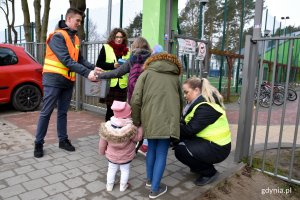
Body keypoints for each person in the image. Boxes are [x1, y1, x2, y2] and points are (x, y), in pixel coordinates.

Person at [34, 8, 101, 158]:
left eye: (80, 21)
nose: (79, 24)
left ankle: (63, 140)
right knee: (47, 111)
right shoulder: (57, 37)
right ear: (69, 19)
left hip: (68, 80)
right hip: (53, 80)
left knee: (63, 112)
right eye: (77, 21)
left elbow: (79, 59)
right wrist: (86, 73)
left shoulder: (75, 39)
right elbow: (66, 60)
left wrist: (92, 67)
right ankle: (38, 143)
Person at [130, 52, 183, 199]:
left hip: (150, 119)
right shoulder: (175, 77)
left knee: (151, 149)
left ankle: (150, 181)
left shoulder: (145, 74)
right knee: (161, 153)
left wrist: (137, 121)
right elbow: (181, 102)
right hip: (169, 121)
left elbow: (135, 99)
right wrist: (177, 121)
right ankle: (155, 189)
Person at [96, 37, 154, 156]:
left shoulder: (132, 59)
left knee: (134, 120)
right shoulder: (152, 60)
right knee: (147, 120)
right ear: (147, 47)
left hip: (134, 95)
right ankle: (146, 145)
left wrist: (100, 76)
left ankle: (131, 146)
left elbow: (117, 72)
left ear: (134, 47)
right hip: (149, 94)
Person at [174, 77, 231, 186]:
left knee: (181, 150)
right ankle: (199, 166)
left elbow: (189, 130)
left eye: (186, 92)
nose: (184, 95)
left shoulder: (205, 107)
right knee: (180, 143)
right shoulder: (199, 103)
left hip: (218, 148)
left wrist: (171, 127)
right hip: (211, 142)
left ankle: (210, 173)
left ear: (196, 90)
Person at [99, 101, 143, 192]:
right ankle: (123, 186)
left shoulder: (107, 127)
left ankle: (109, 186)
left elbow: (102, 142)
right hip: (126, 155)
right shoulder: (130, 129)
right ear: (128, 114)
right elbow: (138, 138)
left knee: (111, 169)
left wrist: (102, 151)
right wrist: (140, 128)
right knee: (125, 170)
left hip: (112, 155)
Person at [96, 28, 130, 121]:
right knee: (110, 110)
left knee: (120, 111)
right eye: (117, 37)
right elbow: (99, 64)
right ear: (113, 37)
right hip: (110, 84)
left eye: (121, 37)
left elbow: (129, 67)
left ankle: (117, 132)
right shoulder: (106, 47)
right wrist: (113, 65)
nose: (119, 39)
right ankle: (108, 132)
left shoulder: (127, 51)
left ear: (124, 38)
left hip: (122, 84)